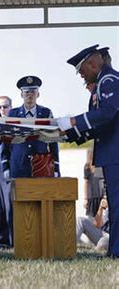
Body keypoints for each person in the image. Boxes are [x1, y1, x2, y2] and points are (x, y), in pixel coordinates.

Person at [57, 44, 118, 258]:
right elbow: (98, 126)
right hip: (111, 153)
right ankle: (115, 250)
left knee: (117, 203)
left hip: (115, 153)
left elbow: (108, 114)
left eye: (82, 70)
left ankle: (116, 251)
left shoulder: (109, 81)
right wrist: (67, 134)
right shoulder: (101, 83)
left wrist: (73, 121)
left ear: (93, 63)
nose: (81, 75)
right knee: (116, 203)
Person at [1, 76, 60, 179]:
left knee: (41, 194)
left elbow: (53, 141)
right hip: (18, 166)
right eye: (26, 92)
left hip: (41, 166)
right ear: (21, 94)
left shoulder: (46, 113)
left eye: (33, 92)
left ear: (38, 94)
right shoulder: (13, 114)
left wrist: (56, 167)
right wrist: (5, 166)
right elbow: (6, 141)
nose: (30, 95)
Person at [0, 96, 14, 247]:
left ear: (11, 107)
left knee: (10, 207)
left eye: (5, 106)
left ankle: (13, 240)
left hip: (10, 170)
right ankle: (2, 239)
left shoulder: (16, 123)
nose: (2, 110)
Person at [83, 149, 106, 218]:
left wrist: (104, 197)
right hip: (91, 198)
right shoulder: (87, 167)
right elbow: (85, 182)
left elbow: (102, 182)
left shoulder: (99, 167)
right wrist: (85, 198)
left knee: (101, 218)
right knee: (90, 219)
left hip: (100, 196)